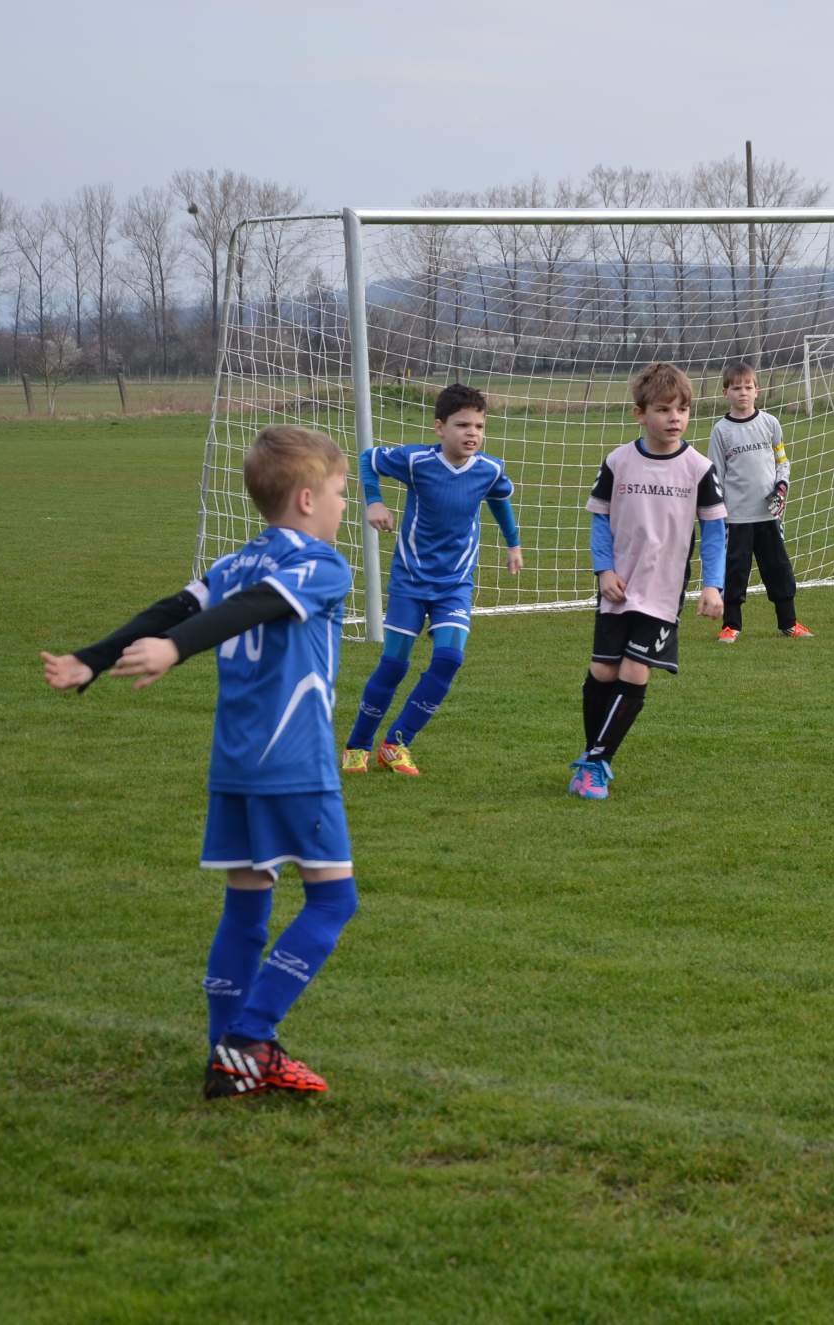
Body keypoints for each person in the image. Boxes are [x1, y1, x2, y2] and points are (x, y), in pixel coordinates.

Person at [41, 425, 358, 1098]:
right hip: (293, 762)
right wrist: (176, 648)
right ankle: (249, 1039)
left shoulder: (237, 560)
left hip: (235, 765)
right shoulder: (324, 564)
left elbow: (174, 607)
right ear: (306, 499)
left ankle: (226, 1060)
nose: (342, 506)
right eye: (339, 493)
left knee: (247, 905)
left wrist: (92, 659)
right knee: (333, 899)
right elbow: (253, 607)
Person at [343, 383, 521, 777]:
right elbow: (369, 459)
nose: (472, 433)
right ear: (440, 427)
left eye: (479, 426)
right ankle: (357, 745)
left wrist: (514, 544)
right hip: (410, 580)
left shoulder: (489, 469)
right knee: (394, 665)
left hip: (455, 584)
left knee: (449, 659)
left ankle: (396, 744)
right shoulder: (416, 461)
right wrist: (374, 501)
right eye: (462, 425)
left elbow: (499, 499)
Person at [567, 363, 726, 800]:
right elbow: (600, 520)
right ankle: (595, 756)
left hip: (662, 592)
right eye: (663, 409)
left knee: (635, 670)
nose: (675, 418)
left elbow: (715, 532)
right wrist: (603, 570)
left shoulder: (699, 468)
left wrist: (713, 585)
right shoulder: (618, 462)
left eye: (683, 410)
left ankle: (595, 764)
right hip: (618, 586)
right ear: (640, 414)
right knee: (603, 670)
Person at [705, 361, 811, 642]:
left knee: (778, 569)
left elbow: (782, 461)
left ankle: (789, 622)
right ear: (726, 393)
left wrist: (782, 486)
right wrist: (719, 512)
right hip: (737, 517)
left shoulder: (770, 423)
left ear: (757, 391)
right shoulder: (721, 431)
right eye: (736, 388)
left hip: (768, 515)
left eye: (748, 387)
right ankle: (731, 625)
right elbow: (716, 474)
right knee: (735, 571)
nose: (743, 392)